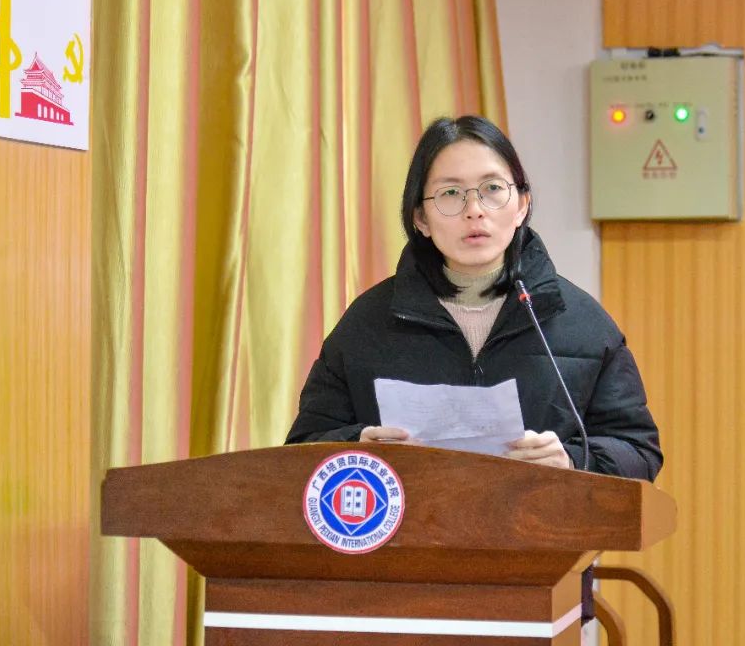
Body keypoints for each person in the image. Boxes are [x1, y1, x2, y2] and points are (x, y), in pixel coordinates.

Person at [283, 114, 664, 627]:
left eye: (492, 189)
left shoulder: (580, 323)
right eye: (450, 194)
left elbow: (639, 450)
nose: (474, 210)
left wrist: (571, 461)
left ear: (522, 204)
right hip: (393, 592)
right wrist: (357, 446)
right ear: (420, 218)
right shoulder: (367, 324)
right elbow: (302, 447)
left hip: (542, 589)